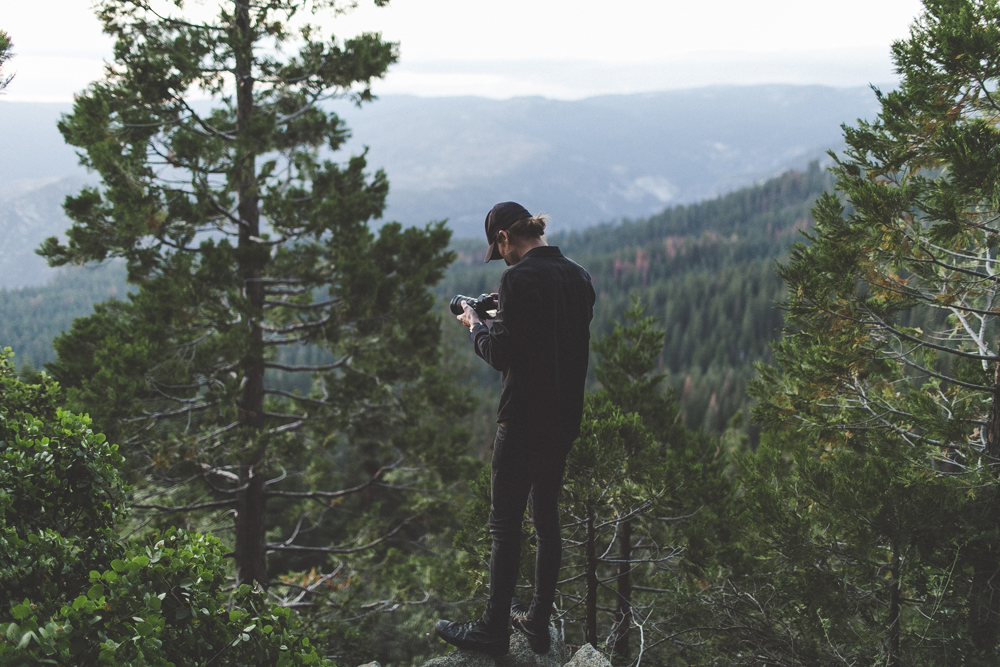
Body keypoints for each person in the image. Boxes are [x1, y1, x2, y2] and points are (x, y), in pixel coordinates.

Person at [435, 201, 595, 655]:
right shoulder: (579, 277)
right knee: (546, 520)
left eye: (497, 248)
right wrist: (501, 313)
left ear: (505, 238)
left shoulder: (517, 278)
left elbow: (502, 354)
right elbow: (555, 338)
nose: (499, 258)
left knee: (504, 525)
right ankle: (538, 622)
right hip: (565, 420)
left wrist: (476, 324)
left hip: (523, 418)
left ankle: (492, 630)